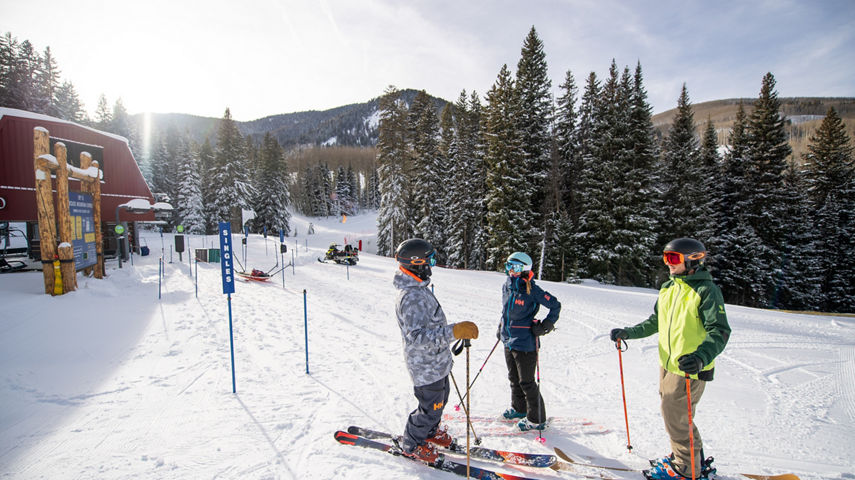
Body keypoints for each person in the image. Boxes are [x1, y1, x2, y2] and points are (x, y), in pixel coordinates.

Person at [610, 238, 731, 480]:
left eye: (673, 259)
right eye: (666, 258)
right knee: (678, 415)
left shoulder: (706, 291)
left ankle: (685, 470)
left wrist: (700, 357)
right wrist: (629, 333)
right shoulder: (669, 287)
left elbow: (720, 330)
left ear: (692, 260)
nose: (668, 264)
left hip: (691, 367)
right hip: (668, 364)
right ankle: (692, 461)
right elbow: (655, 321)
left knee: (675, 416)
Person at [393, 238, 479, 463]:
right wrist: (455, 332)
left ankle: (430, 433)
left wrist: (452, 333)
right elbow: (418, 338)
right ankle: (412, 443)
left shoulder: (418, 289)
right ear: (417, 263)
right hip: (425, 366)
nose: (432, 265)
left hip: (437, 362)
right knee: (430, 408)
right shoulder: (411, 297)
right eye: (429, 260)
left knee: (441, 401)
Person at [497, 252, 561, 431]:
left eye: (515, 267)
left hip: (525, 342)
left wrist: (546, 325)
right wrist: (500, 326)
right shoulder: (507, 286)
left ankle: (537, 419)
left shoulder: (532, 289)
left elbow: (555, 305)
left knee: (527, 382)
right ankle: (519, 409)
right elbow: (505, 311)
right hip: (508, 339)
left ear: (525, 269)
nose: (511, 271)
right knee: (513, 379)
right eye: (508, 266)